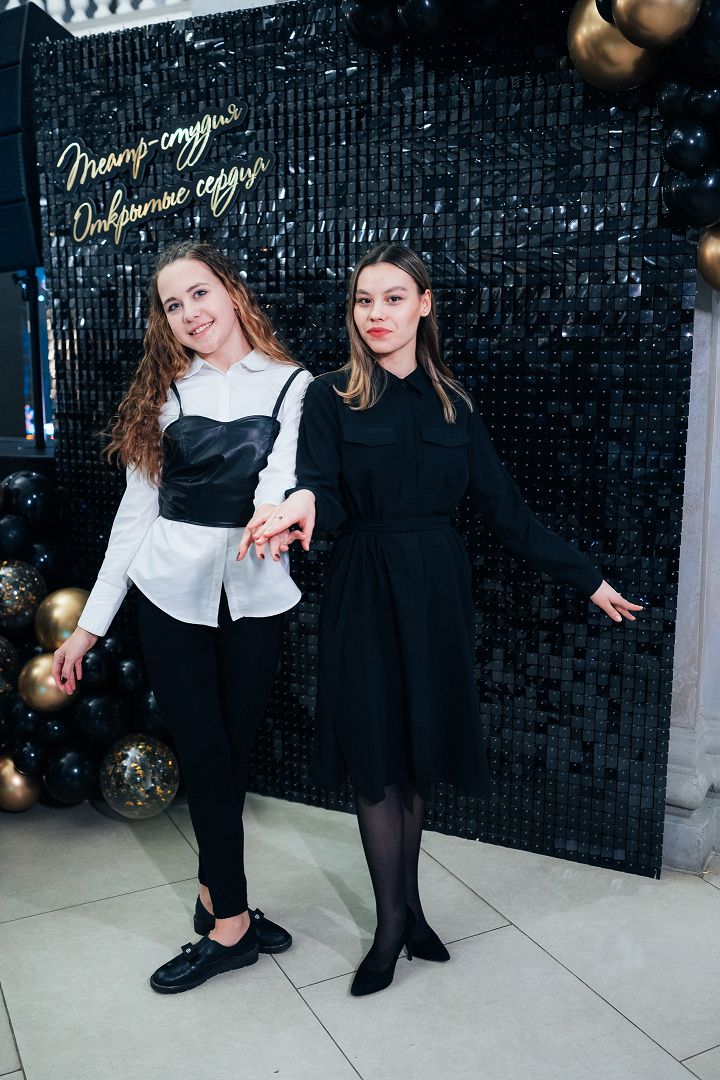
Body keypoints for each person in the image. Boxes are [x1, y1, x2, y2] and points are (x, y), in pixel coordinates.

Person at [248, 242, 643, 997]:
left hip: (436, 594)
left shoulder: (455, 403)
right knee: (375, 754)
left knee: (417, 749)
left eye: (394, 298)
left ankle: (411, 910)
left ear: (424, 305)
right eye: (365, 300)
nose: (377, 314)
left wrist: (587, 577)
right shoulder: (329, 396)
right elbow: (318, 488)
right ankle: (391, 928)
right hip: (364, 587)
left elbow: (506, 511)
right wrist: (299, 506)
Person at [52, 240, 313, 994]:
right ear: (164, 321)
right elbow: (133, 520)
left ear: (230, 291)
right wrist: (88, 628)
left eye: (199, 293)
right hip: (170, 598)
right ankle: (231, 927)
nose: (191, 313)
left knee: (232, 757)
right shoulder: (164, 396)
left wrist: (269, 515)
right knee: (203, 755)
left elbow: (282, 476)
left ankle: (215, 898)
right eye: (174, 305)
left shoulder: (294, 385)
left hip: (255, 597)